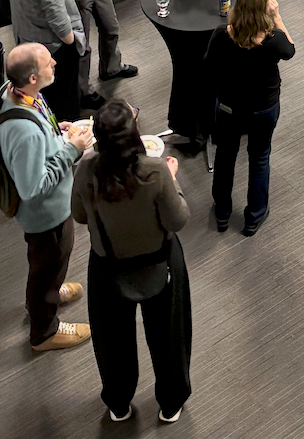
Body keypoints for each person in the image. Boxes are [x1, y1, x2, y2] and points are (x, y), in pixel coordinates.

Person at [70, 101, 191, 424]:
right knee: (169, 336)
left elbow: (80, 216)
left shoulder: (86, 169)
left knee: (113, 341)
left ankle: (119, 403)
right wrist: (174, 179)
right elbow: (177, 220)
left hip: (108, 268)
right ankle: (170, 403)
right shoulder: (155, 171)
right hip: (159, 264)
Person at [0, 43, 93, 352]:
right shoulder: (23, 132)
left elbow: (40, 137)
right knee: (49, 262)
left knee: (45, 264)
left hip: (52, 211)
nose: (54, 62)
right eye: (47, 63)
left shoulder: (18, 93)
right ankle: (44, 332)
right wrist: (70, 150)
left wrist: (58, 133)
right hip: (46, 216)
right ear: (33, 78)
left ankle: (48, 289)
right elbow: (32, 187)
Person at [205, 0, 295, 236]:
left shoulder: (222, 35)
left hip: (229, 108)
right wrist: (277, 17)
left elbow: (209, 66)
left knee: (225, 155)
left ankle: (222, 213)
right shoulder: (273, 40)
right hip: (263, 110)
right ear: (263, 9)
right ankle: (254, 217)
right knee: (259, 157)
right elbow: (290, 50)